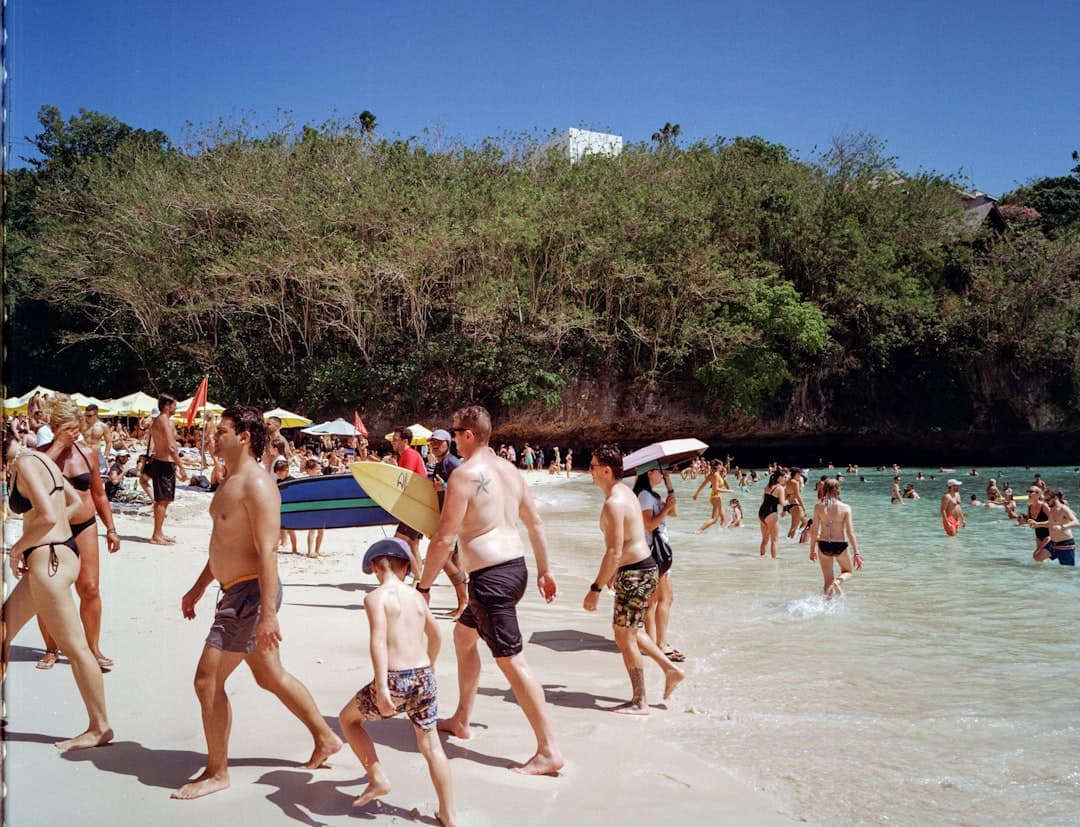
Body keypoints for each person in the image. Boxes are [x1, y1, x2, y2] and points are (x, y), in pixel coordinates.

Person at [173, 406, 342, 800]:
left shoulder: (259, 485)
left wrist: (268, 614)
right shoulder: (229, 480)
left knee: (207, 680)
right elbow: (224, 545)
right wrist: (199, 587)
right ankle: (325, 737)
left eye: (224, 431)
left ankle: (217, 773)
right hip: (233, 590)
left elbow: (268, 552)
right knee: (269, 675)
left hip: (251, 595)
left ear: (245, 437)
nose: (215, 436)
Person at [417, 405, 563, 775]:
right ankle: (463, 719)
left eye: (454, 431)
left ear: (468, 434)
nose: (451, 437)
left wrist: (423, 585)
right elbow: (537, 524)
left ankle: (548, 750)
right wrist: (545, 570)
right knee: (464, 637)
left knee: (512, 660)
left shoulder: (464, 476)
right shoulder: (510, 471)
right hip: (515, 570)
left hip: (491, 579)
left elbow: (444, 537)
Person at [1, 431, 113, 750]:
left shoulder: (25, 462)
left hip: (48, 562)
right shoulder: (39, 459)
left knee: (76, 648)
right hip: (60, 554)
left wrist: (16, 549)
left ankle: (99, 727)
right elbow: (74, 501)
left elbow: (49, 515)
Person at [339, 538, 455, 824]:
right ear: (406, 567)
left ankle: (377, 777)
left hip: (395, 679)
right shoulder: (417, 596)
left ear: (374, 568)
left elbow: (378, 640)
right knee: (431, 746)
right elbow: (437, 634)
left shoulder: (375, 598)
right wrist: (431, 664)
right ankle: (448, 814)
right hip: (423, 676)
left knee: (348, 721)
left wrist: (381, 687)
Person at [585, 446, 685, 714]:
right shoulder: (625, 493)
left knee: (624, 637)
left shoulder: (615, 502)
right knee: (631, 631)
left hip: (637, 573)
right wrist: (615, 572)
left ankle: (640, 701)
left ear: (606, 471)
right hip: (640, 569)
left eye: (593, 466)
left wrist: (595, 587)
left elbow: (615, 549)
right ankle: (670, 669)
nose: (589, 471)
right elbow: (630, 539)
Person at [35, 396, 121, 671]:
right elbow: (34, 479)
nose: (73, 434)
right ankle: (51, 648)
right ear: (54, 426)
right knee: (51, 591)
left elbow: (98, 493)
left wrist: (111, 528)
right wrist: (58, 444)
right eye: (66, 429)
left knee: (90, 588)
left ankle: (93, 648)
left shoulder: (89, 453)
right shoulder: (41, 455)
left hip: (85, 525)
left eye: (75, 428)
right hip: (51, 529)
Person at [633, 467, 684, 663]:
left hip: (657, 551)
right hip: (654, 551)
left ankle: (653, 643)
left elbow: (674, 513)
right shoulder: (645, 495)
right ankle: (659, 644)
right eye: (658, 471)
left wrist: (669, 487)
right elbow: (649, 525)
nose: (662, 474)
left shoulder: (650, 494)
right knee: (664, 599)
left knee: (656, 600)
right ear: (648, 473)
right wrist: (664, 508)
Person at [428, 428, 469, 618]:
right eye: (432, 442)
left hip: (455, 520)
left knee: (443, 559)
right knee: (453, 561)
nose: (434, 444)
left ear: (448, 443)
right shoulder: (440, 464)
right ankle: (464, 603)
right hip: (449, 518)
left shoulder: (452, 463)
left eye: (439, 441)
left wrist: (443, 487)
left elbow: (465, 487)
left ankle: (465, 602)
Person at [808, 478, 862, 597]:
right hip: (840, 545)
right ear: (838, 490)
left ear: (825, 489)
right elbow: (850, 531)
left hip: (823, 545)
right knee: (847, 571)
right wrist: (856, 552)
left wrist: (812, 550)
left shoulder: (818, 507)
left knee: (827, 582)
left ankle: (827, 607)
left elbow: (814, 530)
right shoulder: (845, 507)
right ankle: (838, 582)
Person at [147, 394, 189, 544]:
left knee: (163, 500)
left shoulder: (161, 421)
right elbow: (171, 447)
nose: (175, 408)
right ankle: (156, 535)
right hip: (164, 464)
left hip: (162, 463)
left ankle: (159, 532)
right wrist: (181, 467)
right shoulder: (163, 421)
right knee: (162, 500)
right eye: (174, 406)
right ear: (166, 406)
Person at [391, 426, 427, 578]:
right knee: (412, 546)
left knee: (399, 542)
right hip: (417, 506)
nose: (392, 442)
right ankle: (418, 580)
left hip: (415, 507)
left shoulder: (409, 455)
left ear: (405, 441)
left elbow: (404, 481)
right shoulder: (408, 455)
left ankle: (405, 577)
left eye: (395, 439)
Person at [1033, 489, 1077, 566]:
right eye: (1044, 499)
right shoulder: (1052, 509)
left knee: (1067, 571)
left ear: (1055, 498)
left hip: (1065, 545)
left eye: (1048, 499)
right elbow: (1051, 523)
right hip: (1053, 544)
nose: (1046, 502)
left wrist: (1062, 527)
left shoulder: (1064, 509)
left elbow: (1076, 523)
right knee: (1037, 557)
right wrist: (1037, 524)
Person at [758, 469, 788, 558]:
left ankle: (761, 558)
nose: (785, 479)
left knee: (764, 539)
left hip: (761, 512)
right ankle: (774, 562)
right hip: (771, 513)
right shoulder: (780, 488)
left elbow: (764, 498)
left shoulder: (768, 486)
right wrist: (788, 500)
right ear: (779, 478)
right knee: (774, 540)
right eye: (784, 477)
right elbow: (782, 503)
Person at [692, 460, 729, 531]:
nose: (722, 466)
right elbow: (716, 489)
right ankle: (698, 531)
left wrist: (696, 494)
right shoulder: (715, 475)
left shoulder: (713, 474)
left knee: (723, 518)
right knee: (714, 519)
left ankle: (721, 533)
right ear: (717, 466)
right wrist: (728, 491)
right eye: (721, 465)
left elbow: (703, 485)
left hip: (715, 497)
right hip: (716, 498)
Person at [273, 458, 298, 554]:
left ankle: (294, 548)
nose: (278, 475)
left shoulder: (293, 481)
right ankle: (278, 546)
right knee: (278, 528)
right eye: (277, 473)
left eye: (280, 472)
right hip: (280, 506)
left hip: (290, 507)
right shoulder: (278, 481)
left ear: (286, 470)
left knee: (291, 530)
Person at [302, 458, 325, 557]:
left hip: (321, 506)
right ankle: (310, 551)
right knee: (312, 530)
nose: (319, 471)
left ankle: (317, 550)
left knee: (321, 530)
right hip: (311, 507)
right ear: (309, 470)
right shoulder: (305, 481)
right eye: (317, 469)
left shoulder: (322, 479)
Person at [784, 468, 807, 537]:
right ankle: (789, 543)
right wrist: (803, 506)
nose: (800, 475)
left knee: (805, 522)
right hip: (796, 506)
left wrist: (784, 508)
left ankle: (798, 540)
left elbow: (786, 495)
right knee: (793, 528)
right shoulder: (795, 482)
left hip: (789, 505)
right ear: (796, 474)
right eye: (799, 474)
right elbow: (798, 495)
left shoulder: (788, 481)